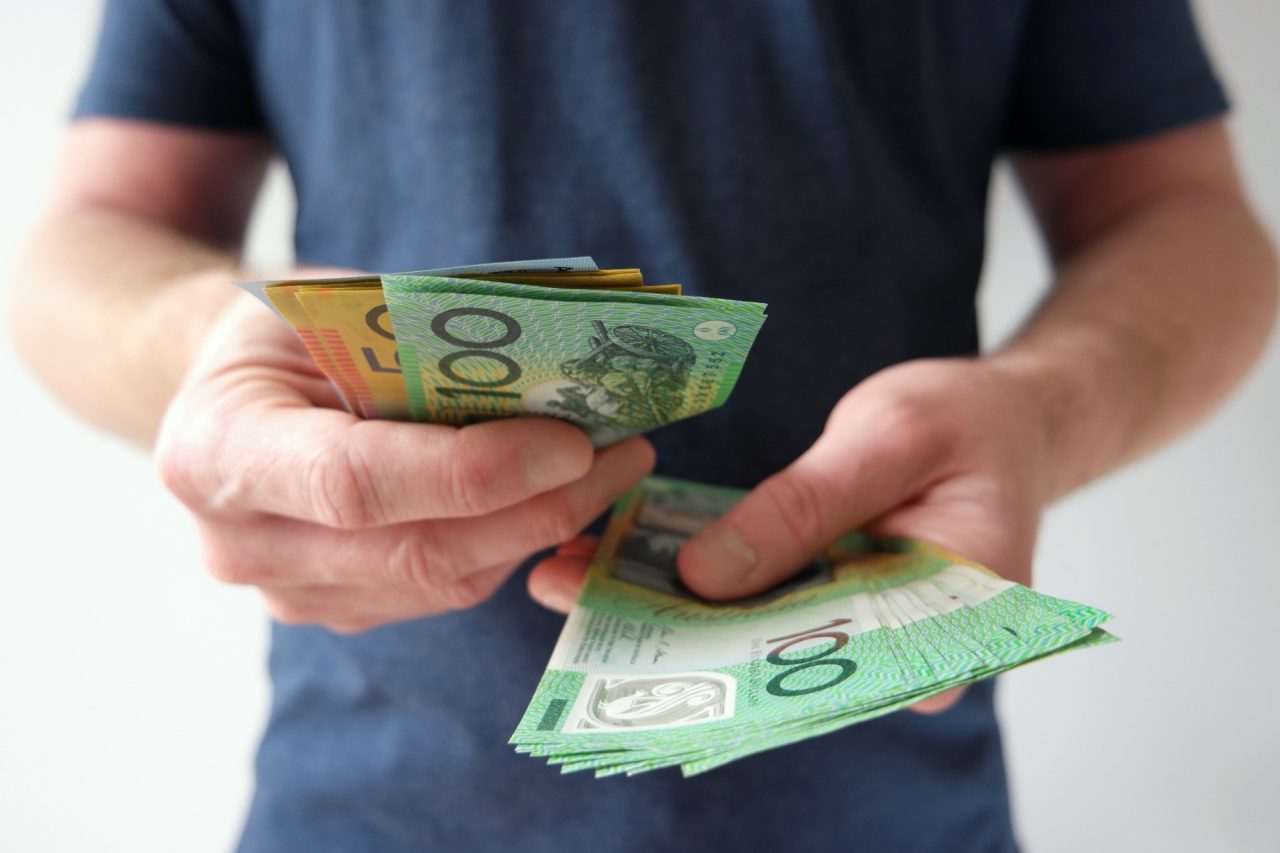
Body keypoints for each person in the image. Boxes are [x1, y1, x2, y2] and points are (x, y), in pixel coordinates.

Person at [10, 2, 1276, 851]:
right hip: (367, 800)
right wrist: (213, 357)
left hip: (888, 802)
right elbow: (87, 234)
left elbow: (1181, 216)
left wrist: (1048, 409)